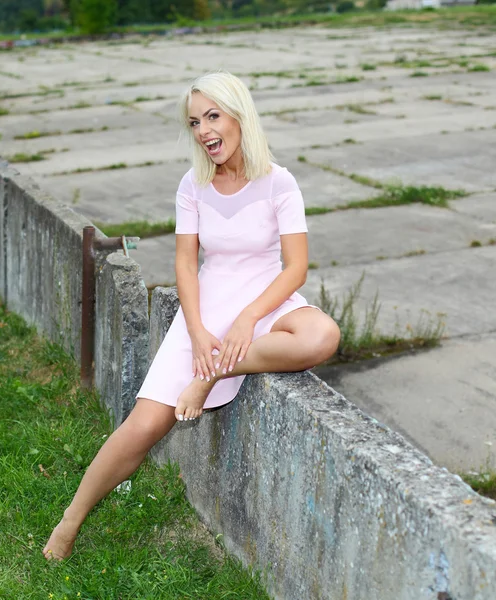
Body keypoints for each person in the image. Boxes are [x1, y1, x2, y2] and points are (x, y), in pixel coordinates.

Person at [43, 70, 340, 561]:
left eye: (212, 116)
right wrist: (199, 332)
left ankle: (215, 375)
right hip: (205, 309)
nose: (204, 131)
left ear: (239, 115)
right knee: (142, 427)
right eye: (195, 122)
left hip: (264, 303)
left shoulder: (279, 182)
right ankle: (68, 525)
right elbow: (185, 264)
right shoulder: (194, 184)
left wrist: (247, 321)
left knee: (321, 335)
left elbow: (296, 267)